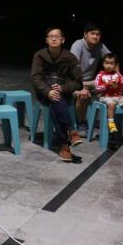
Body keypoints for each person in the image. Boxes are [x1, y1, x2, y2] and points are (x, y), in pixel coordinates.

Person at [30, 27, 84, 163]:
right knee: (56, 99)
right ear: (46, 40)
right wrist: (48, 91)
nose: (54, 38)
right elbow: (36, 78)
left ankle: (65, 145)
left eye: (57, 36)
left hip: (62, 91)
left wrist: (63, 88)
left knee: (57, 100)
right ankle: (71, 132)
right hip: (44, 91)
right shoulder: (40, 55)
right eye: (51, 36)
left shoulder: (70, 57)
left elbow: (78, 82)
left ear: (63, 40)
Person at [70, 22, 111, 136]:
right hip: (74, 81)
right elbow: (73, 68)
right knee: (83, 95)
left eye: (98, 34)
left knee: (110, 90)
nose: (95, 36)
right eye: (92, 33)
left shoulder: (100, 46)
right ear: (85, 34)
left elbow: (112, 60)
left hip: (90, 81)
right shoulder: (78, 45)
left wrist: (116, 78)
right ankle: (80, 123)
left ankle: (108, 122)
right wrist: (81, 87)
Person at [95, 53, 123, 136]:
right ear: (103, 64)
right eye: (106, 63)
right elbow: (97, 88)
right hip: (105, 96)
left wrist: (119, 83)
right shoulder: (100, 75)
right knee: (111, 104)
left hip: (118, 96)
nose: (109, 65)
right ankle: (111, 123)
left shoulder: (117, 74)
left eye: (111, 63)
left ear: (115, 65)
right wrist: (107, 85)